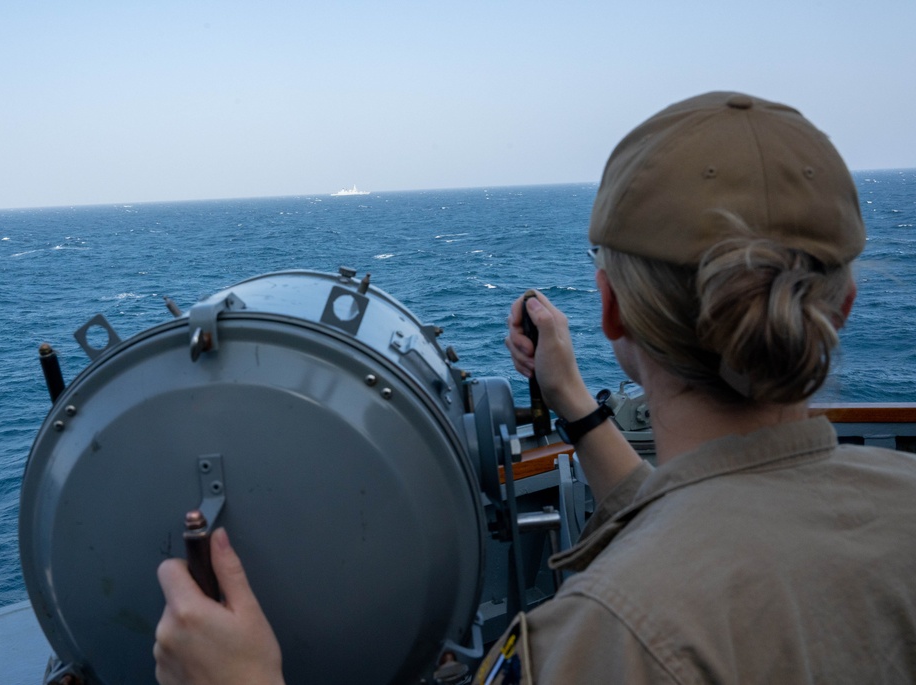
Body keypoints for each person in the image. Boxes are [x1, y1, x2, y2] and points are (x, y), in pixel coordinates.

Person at [154, 92, 916, 684]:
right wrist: (574, 403)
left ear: (610, 306)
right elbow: (709, 516)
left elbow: (696, 544)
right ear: (842, 308)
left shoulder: (600, 635)